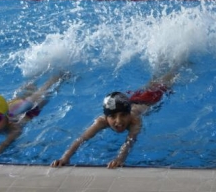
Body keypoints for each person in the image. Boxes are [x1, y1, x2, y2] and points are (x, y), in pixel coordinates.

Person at [50, 68, 178, 169]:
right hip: (133, 99)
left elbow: (129, 142)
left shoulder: (135, 120)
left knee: (165, 82)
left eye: (123, 115)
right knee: (153, 82)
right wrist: (65, 158)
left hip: (151, 99)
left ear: (128, 114)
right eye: (112, 116)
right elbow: (81, 139)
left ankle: (177, 66)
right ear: (106, 117)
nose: (118, 121)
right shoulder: (101, 121)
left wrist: (119, 159)